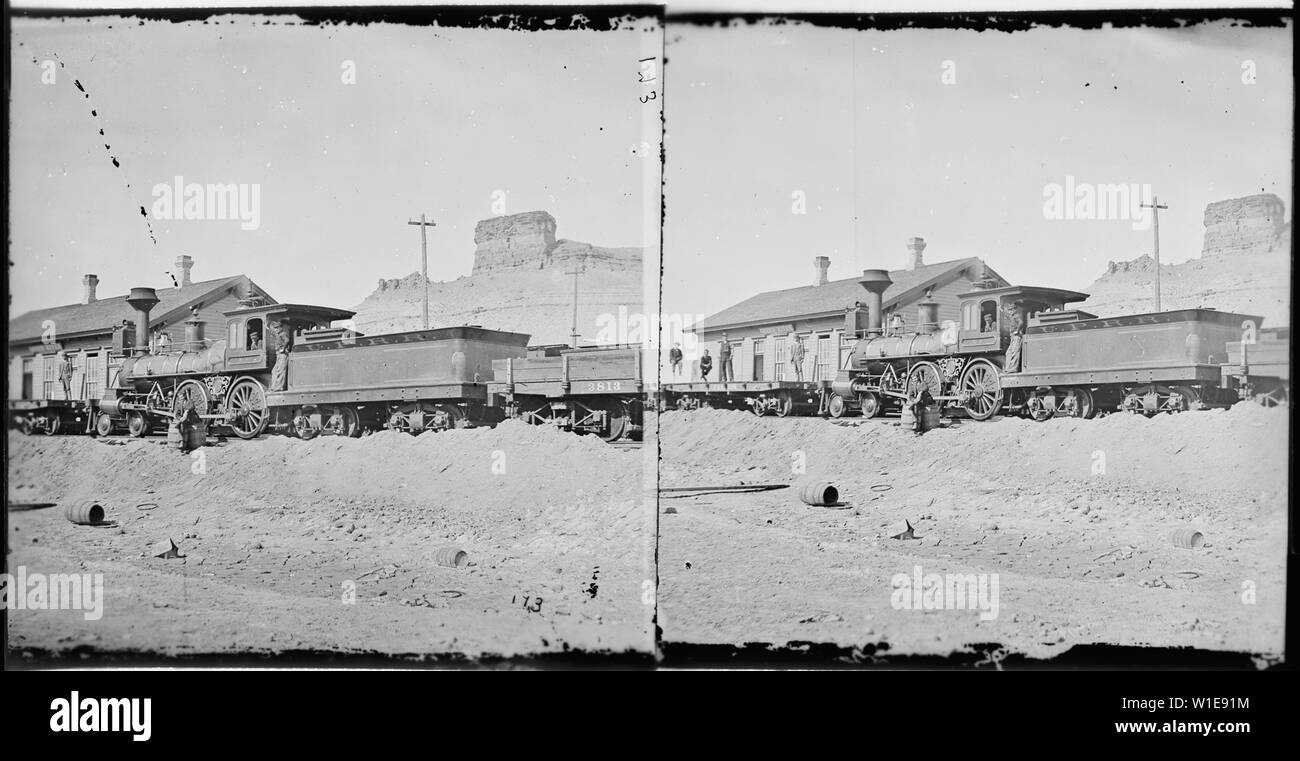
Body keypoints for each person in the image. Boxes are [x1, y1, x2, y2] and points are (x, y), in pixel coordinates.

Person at [270, 320, 292, 391]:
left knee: (281, 370)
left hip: (282, 354)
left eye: (276, 328)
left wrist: (283, 348)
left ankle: (279, 387)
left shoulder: (282, 334)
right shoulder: (278, 334)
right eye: (275, 328)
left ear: (280, 328)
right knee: (274, 371)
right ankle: (274, 386)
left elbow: (287, 340)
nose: (275, 329)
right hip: (278, 354)